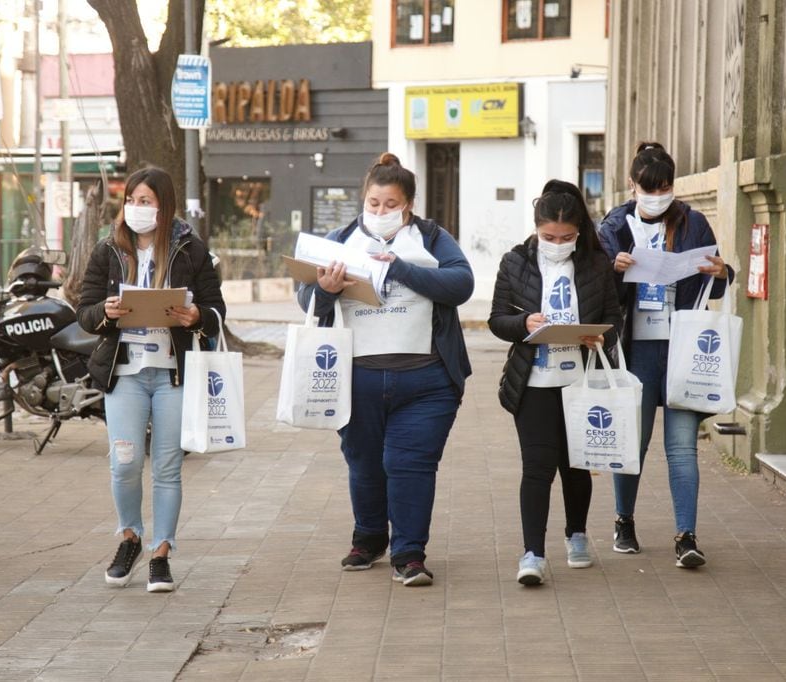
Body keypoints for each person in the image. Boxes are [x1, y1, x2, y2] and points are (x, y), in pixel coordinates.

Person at [298, 152, 473, 587]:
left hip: (428, 380)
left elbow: (461, 284)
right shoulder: (341, 239)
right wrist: (325, 289)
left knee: (409, 462)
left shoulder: (431, 238)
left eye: (390, 205)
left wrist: (403, 269)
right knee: (364, 462)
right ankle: (369, 537)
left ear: (408, 205)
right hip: (357, 380)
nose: (380, 212)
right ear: (364, 200)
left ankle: (410, 553)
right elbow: (306, 298)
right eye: (374, 204)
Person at [77, 166, 226, 592]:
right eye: (132, 200)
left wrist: (197, 316)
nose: (137, 209)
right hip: (124, 374)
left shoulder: (190, 250)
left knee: (167, 466)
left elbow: (216, 314)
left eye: (146, 201)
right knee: (124, 463)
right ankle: (130, 538)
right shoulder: (109, 249)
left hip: (172, 375)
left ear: (164, 206)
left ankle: (161, 552)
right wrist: (104, 314)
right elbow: (84, 313)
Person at [598, 142, 734, 568]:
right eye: (649, 187)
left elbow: (720, 279)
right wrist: (612, 270)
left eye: (665, 187)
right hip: (636, 349)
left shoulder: (693, 222)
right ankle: (624, 521)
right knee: (632, 443)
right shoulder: (614, 226)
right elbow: (595, 287)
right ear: (632, 184)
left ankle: (686, 536)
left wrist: (721, 271)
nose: (658, 195)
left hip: (684, 348)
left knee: (681, 446)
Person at [488, 180, 622, 586]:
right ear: (536, 229)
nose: (558, 243)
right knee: (537, 467)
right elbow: (497, 320)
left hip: (581, 381)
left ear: (579, 232)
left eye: (567, 237)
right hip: (533, 381)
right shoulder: (515, 263)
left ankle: (577, 534)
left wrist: (602, 335)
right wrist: (523, 323)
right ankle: (533, 554)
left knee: (577, 464)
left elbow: (615, 318)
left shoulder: (597, 264)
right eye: (549, 237)